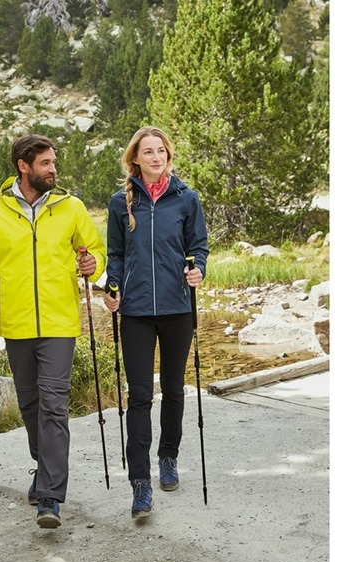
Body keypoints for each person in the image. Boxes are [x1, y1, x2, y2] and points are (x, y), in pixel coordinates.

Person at [0, 134, 106, 529]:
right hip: (17, 323)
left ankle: (50, 498)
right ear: (24, 166)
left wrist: (93, 263)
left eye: (53, 162)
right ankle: (43, 468)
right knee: (30, 404)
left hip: (60, 322)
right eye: (45, 163)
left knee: (55, 405)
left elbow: (94, 249)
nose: (53, 169)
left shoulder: (71, 208)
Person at [103, 126, 209, 519]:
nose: (155, 157)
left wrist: (198, 269)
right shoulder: (120, 202)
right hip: (135, 311)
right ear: (136, 158)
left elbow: (198, 246)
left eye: (160, 150)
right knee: (140, 396)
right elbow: (115, 253)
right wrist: (111, 287)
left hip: (178, 308)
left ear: (168, 155)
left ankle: (168, 458)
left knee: (174, 388)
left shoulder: (186, 199)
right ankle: (141, 483)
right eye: (147, 151)